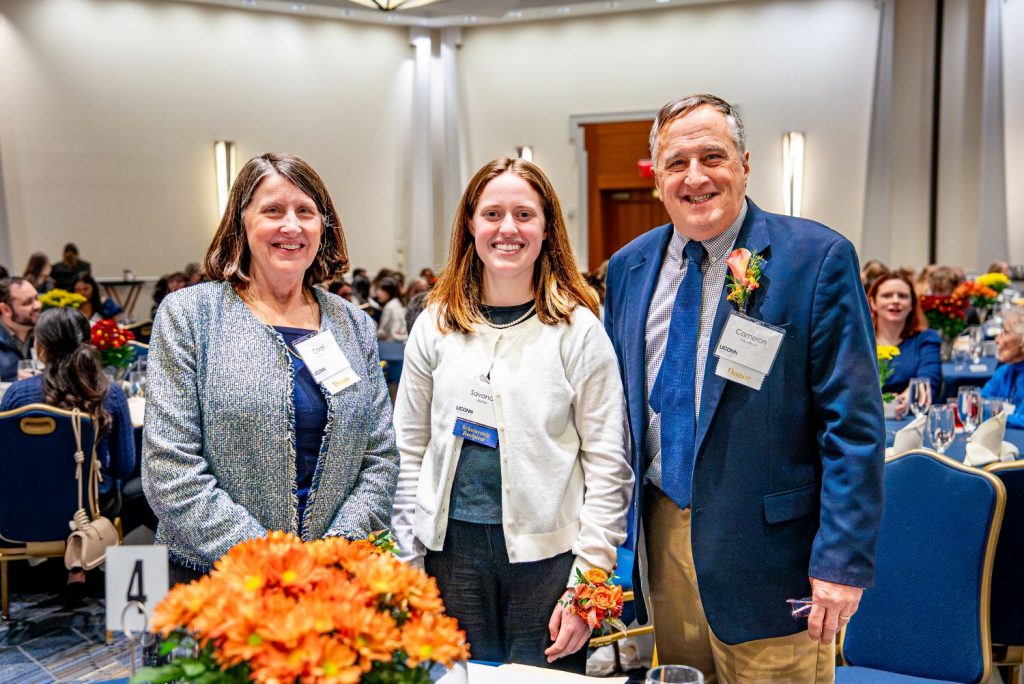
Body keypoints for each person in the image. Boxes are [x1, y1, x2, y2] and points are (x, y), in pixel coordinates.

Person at [603, 94, 884, 682]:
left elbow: (853, 429)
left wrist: (840, 562)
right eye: (677, 163)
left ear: (745, 165)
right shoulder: (630, 268)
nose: (695, 177)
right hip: (663, 543)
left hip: (774, 562)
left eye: (713, 157)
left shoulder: (815, 259)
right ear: (657, 180)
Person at [392, 158, 632, 673]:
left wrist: (587, 582)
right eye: (492, 214)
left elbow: (608, 464)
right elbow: (408, 450)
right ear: (470, 225)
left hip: (548, 564)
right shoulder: (435, 324)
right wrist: (406, 560)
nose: (508, 229)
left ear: (546, 229)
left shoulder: (578, 331)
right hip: (449, 555)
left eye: (524, 215)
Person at [142, 152, 399, 584]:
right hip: (213, 580)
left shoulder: (352, 325)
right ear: (241, 223)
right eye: (273, 211)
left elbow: (379, 457)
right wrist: (273, 567)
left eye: (305, 212)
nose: (291, 226)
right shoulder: (190, 315)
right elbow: (169, 468)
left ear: (323, 226)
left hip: (330, 584)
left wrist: (336, 554)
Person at [0, 307, 135, 590]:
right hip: (91, 511)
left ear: (41, 347)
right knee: (136, 490)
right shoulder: (109, 393)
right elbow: (123, 466)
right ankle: (101, 572)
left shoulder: (17, 395)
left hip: (25, 511)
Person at [868, 272, 941, 413]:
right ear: (873, 303)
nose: (895, 300)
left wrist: (908, 398)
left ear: (912, 304)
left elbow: (928, 378)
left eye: (902, 296)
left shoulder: (926, 339)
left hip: (910, 416)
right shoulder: (860, 342)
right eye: (887, 295)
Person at [982, 307, 1024, 429]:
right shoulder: (1005, 371)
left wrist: (994, 414)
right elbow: (982, 401)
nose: (997, 339)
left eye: (1005, 333)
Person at [0, 277, 42, 381]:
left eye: (36, 298)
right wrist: (17, 386)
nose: (38, 305)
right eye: (28, 302)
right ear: (5, 309)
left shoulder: (46, 333)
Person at [374, 276, 407, 342]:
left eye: (382, 290)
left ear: (390, 291)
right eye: (377, 289)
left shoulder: (389, 307)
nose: (377, 293)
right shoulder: (397, 302)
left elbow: (382, 332)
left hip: (390, 344)